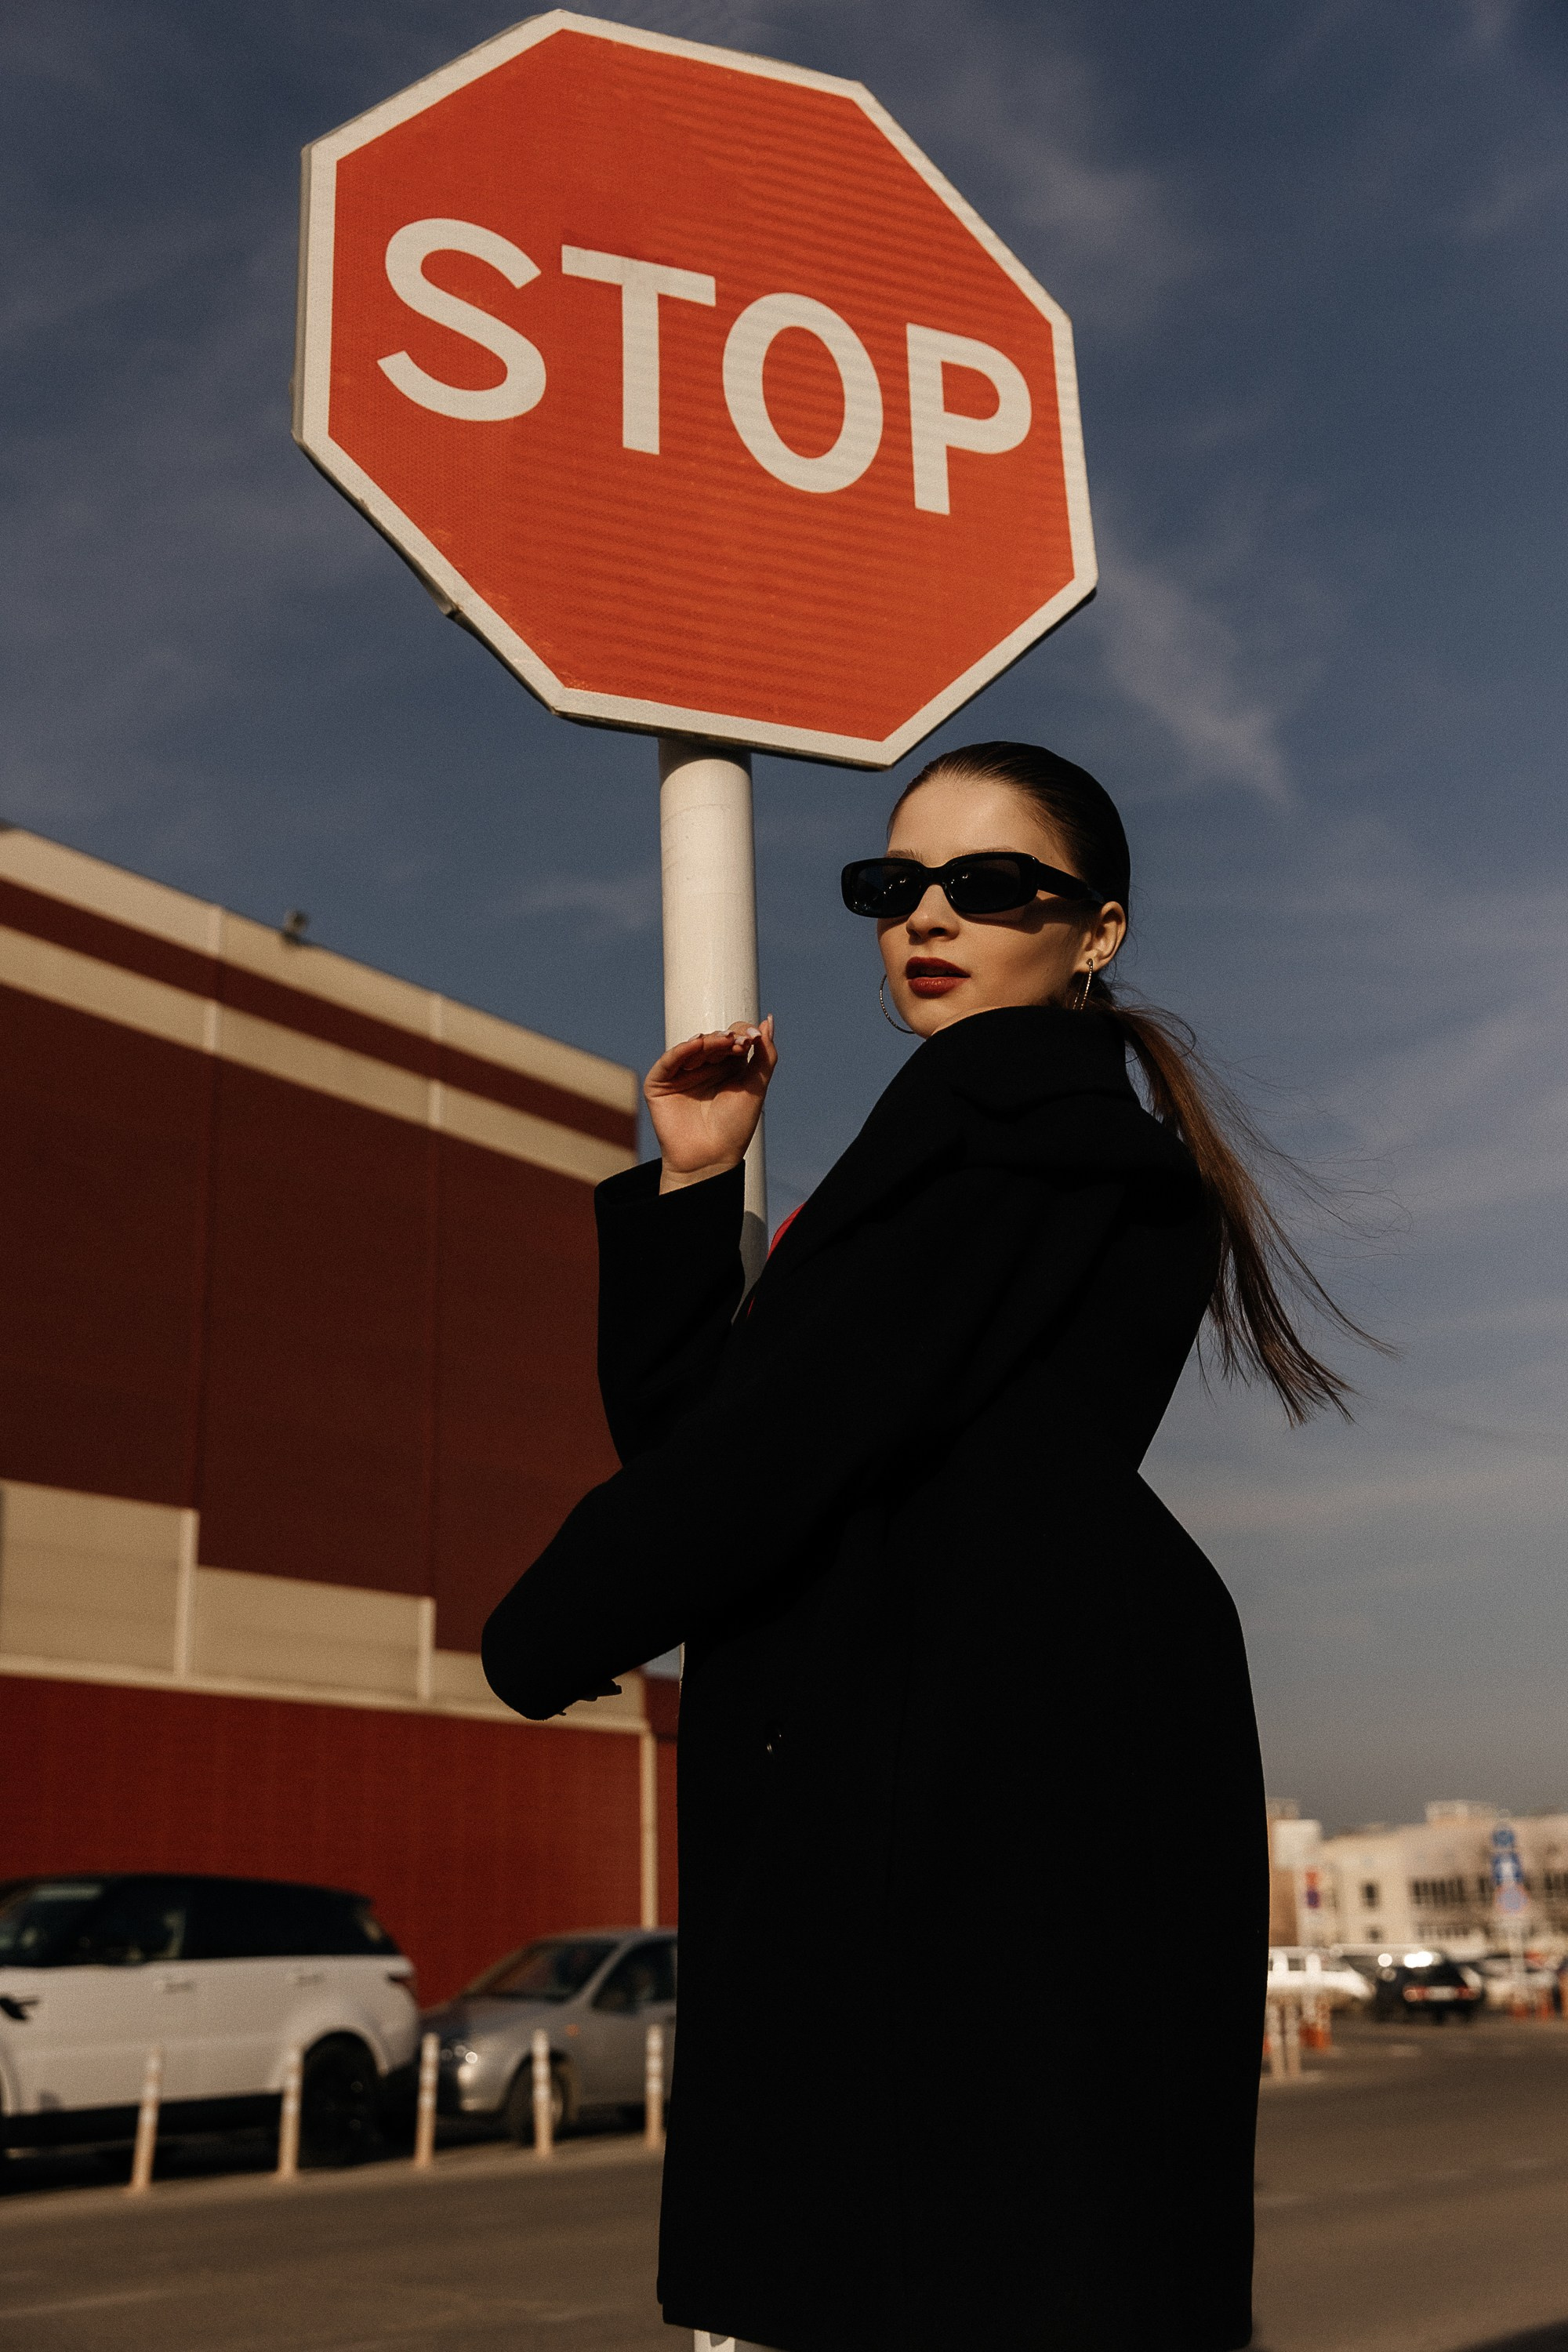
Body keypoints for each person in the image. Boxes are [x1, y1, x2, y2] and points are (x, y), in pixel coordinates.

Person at [482, 740, 1371, 2352]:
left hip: (978, 1749)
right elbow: (737, 1439)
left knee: (954, 2267)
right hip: (1001, 1732)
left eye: (988, 885)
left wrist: (545, 1625)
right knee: (1024, 2269)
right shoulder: (1033, 1126)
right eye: (893, 888)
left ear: (1093, 927)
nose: (928, 918)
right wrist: (695, 1184)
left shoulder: (997, 1103)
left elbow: (780, 1445)